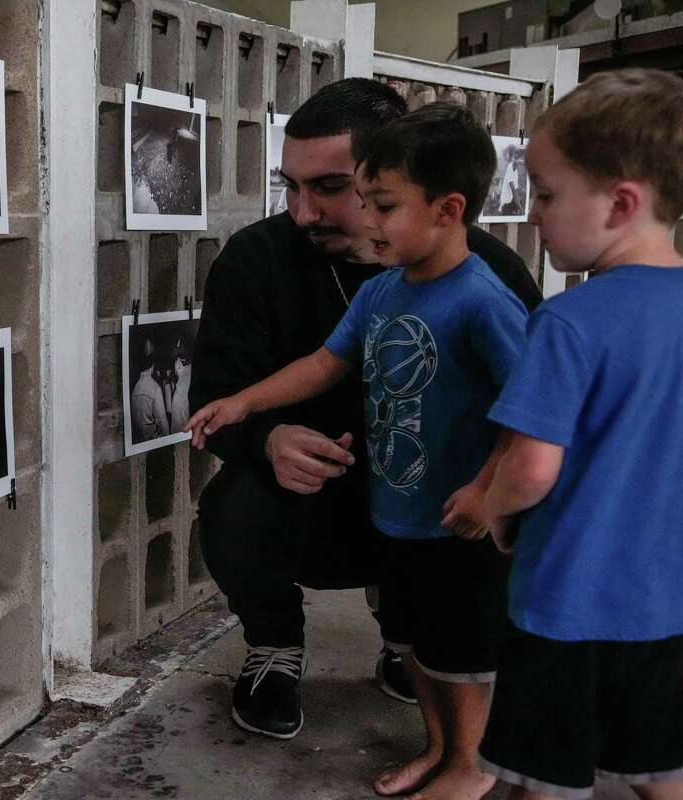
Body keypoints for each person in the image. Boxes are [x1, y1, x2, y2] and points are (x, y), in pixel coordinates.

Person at [190, 103, 529, 799]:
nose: (306, 211)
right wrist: (258, 418)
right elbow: (320, 363)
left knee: (458, 644)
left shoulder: (486, 286)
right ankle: (417, 736)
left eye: (346, 192)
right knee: (411, 635)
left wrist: (494, 491)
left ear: (443, 206)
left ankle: (470, 763)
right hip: (376, 505)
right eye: (291, 186)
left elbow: (531, 407)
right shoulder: (325, 276)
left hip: (454, 511)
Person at [474, 68, 683, 800]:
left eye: (547, 192)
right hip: (669, 604)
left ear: (621, 202)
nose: (533, 214)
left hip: (568, 604)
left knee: (547, 782)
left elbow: (531, 469)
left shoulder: (569, 322)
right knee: (661, 770)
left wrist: (494, 511)